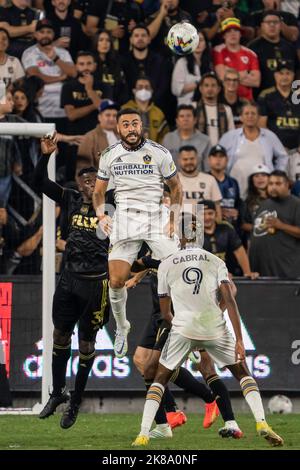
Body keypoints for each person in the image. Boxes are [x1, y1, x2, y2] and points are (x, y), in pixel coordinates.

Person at [132, 217, 283, 447]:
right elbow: (230, 299)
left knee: (158, 378)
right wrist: (239, 339)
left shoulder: (166, 263)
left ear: (178, 236)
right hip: (214, 326)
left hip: (183, 327)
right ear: (200, 234)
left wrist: (179, 328)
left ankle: (143, 433)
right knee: (243, 373)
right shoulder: (215, 260)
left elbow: (165, 312)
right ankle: (261, 422)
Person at [93, 108, 182, 358]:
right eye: (126, 124)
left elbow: (176, 188)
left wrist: (173, 220)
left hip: (156, 216)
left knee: (178, 271)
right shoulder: (109, 155)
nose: (131, 128)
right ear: (118, 129)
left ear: (141, 127)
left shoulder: (159, 152)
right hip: (125, 218)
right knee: (117, 280)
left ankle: (183, 328)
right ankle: (122, 327)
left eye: (135, 124)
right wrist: (101, 214)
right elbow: (99, 192)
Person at [36, 134, 110, 429]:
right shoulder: (68, 198)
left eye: (96, 179)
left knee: (87, 344)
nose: (90, 182)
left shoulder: (114, 204)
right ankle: (57, 393)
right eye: (86, 179)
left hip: (96, 285)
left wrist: (106, 180)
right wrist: (45, 156)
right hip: (68, 280)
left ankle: (76, 402)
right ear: (79, 184)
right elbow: (40, 182)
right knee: (60, 335)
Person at [130, 248, 243, 440]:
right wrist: (138, 275)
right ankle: (170, 416)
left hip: (183, 316)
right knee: (142, 362)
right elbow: (147, 265)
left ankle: (220, 412)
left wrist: (216, 312)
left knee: (204, 367)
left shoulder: (194, 254)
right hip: (159, 313)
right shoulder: (156, 247)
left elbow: (231, 287)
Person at [219, 102, 288, 199]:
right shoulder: (229, 137)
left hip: (262, 189)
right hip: (234, 186)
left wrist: (276, 175)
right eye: (246, 113)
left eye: (253, 113)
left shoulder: (269, 136)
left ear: (259, 117)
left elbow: (283, 156)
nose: (250, 116)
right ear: (241, 117)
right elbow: (218, 157)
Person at [249, 170, 300, 278]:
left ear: (287, 185)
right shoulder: (264, 204)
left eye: (278, 183)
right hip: (261, 267)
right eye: (271, 183)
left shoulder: (296, 204)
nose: (273, 187)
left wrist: (281, 226)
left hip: (286, 268)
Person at [203, 199, 259, 278]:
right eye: (202, 214)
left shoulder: (226, 228)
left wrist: (247, 273)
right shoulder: (192, 233)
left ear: (216, 214)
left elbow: (239, 251)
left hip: (230, 277)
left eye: (210, 213)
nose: (207, 217)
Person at [213, 17, 260, 101]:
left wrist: (230, 72)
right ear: (224, 35)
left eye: (236, 30)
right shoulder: (218, 51)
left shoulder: (250, 54)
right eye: (229, 31)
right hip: (224, 99)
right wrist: (245, 74)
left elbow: (256, 82)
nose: (233, 34)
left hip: (247, 100)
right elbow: (222, 77)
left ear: (240, 34)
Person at [258, 60, 300, 150]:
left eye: (288, 73)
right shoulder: (266, 95)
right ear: (275, 75)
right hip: (273, 148)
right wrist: (276, 146)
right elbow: (262, 126)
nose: (284, 77)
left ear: (293, 75)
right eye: (281, 73)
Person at [177, 145, 223, 222]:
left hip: (204, 227)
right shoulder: (171, 181)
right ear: (178, 160)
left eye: (192, 159)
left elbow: (217, 208)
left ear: (198, 159)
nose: (189, 162)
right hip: (179, 227)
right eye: (185, 159)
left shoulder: (209, 179)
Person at [162, 104, 211, 170]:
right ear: (177, 121)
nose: (185, 119)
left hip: (197, 178)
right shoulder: (168, 138)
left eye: (188, 116)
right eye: (182, 116)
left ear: (195, 120)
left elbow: (208, 167)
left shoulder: (205, 140)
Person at [122, 76, 169, 143]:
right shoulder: (125, 110)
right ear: (134, 90)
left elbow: (164, 135)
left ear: (151, 91)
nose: (143, 90)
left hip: (153, 151)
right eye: (140, 87)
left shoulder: (158, 113)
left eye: (147, 87)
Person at [77, 99, 119, 174]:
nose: (112, 119)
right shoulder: (90, 137)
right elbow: (83, 168)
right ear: (99, 117)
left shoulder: (123, 136)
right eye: (108, 115)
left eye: (114, 116)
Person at [171, 30, 212, 106]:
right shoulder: (182, 63)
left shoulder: (209, 64)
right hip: (186, 107)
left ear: (206, 44)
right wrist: (200, 84)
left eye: (201, 40)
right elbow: (176, 89)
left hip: (205, 106)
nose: (198, 43)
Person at [195, 72, 235, 147]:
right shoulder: (193, 107)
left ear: (219, 89)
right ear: (201, 88)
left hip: (221, 152)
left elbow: (231, 134)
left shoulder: (226, 109)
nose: (210, 89)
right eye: (206, 85)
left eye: (213, 85)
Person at [208, 144, 241, 229]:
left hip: (231, 227)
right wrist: (219, 211)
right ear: (209, 160)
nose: (218, 159)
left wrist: (237, 212)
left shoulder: (233, 182)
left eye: (221, 156)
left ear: (227, 160)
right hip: (209, 226)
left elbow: (238, 205)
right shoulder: (203, 180)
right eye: (215, 156)